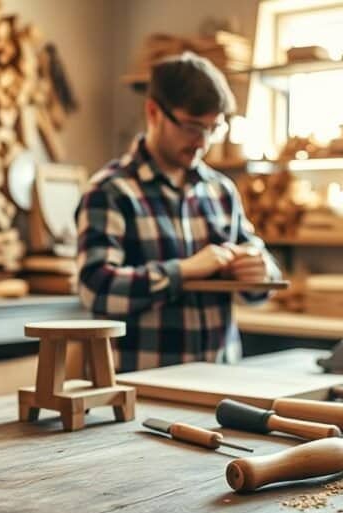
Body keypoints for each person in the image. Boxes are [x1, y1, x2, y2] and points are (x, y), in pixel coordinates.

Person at [76, 51, 281, 372]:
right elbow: (95, 289)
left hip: (220, 383)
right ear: (154, 112)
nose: (202, 142)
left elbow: (262, 275)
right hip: (140, 385)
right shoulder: (110, 191)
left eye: (214, 128)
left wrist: (259, 272)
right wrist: (183, 271)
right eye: (191, 127)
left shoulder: (221, 191)